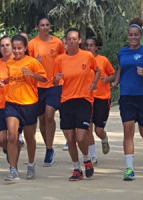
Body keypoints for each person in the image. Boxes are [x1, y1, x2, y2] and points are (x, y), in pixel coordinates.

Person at [112, 18, 143, 180]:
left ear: (140, 36)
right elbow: (121, 68)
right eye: (130, 35)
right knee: (128, 131)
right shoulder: (122, 52)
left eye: (136, 35)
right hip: (127, 96)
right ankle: (129, 168)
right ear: (128, 36)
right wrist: (116, 81)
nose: (133, 37)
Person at [53, 28, 100, 181]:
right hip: (66, 101)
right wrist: (57, 78)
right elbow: (54, 81)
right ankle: (76, 168)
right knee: (70, 138)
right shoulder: (60, 59)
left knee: (80, 137)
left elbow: (98, 70)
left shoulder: (87, 56)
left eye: (75, 38)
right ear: (65, 41)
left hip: (84, 99)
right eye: (69, 38)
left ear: (80, 41)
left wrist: (94, 83)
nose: (71, 41)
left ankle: (87, 159)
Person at [3, 35, 47, 181]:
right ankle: (13, 169)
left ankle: (31, 164)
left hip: (29, 104)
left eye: (19, 48)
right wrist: (5, 81)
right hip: (12, 103)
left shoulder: (32, 62)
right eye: (14, 48)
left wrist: (32, 74)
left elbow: (44, 78)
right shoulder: (9, 63)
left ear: (25, 48)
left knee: (29, 138)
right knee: (12, 136)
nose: (16, 51)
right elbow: (10, 77)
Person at [28, 14, 65, 166]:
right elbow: (26, 63)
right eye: (42, 25)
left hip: (54, 84)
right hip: (37, 85)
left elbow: (64, 60)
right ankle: (48, 146)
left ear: (50, 27)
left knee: (50, 115)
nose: (45, 28)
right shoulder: (32, 44)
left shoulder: (57, 43)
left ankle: (49, 149)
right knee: (42, 119)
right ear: (37, 27)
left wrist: (61, 75)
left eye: (47, 25)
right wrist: (34, 62)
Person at [85, 37, 115, 165]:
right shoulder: (82, 60)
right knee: (88, 128)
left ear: (96, 47)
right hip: (87, 98)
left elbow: (112, 74)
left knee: (98, 130)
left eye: (91, 45)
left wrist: (107, 80)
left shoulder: (103, 60)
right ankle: (92, 156)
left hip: (102, 98)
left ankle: (104, 138)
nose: (89, 48)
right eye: (86, 45)